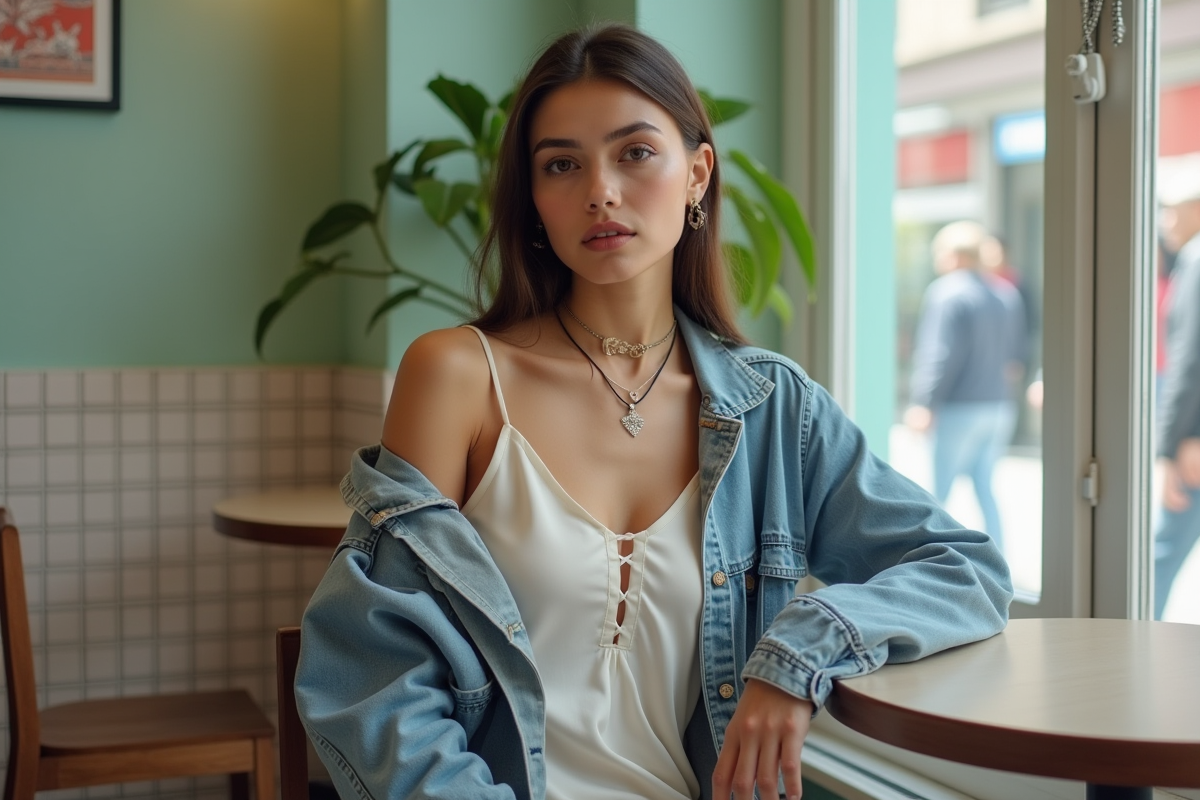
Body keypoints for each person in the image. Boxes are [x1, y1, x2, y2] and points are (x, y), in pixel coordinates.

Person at [295, 24, 1012, 800]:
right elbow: (377, 678)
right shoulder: (458, 375)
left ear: (697, 173)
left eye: (634, 152)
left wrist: (798, 654)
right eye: (561, 164)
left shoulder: (773, 409)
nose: (600, 190)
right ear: (534, 200)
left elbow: (964, 570)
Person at [904, 222, 1026, 555]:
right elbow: (1015, 359)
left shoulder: (947, 292)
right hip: (998, 406)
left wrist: (924, 403)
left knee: (936, 494)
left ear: (955, 255)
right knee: (985, 487)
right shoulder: (1005, 294)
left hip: (959, 409)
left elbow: (938, 355)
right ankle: (999, 562)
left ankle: (925, 563)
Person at [1153, 152, 1200, 620]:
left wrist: (1176, 444)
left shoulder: (1196, 257)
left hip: (1194, 443)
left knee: (1160, 554)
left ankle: (1124, 647)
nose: (1165, 220)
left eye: (1172, 209)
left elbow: (1189, 361)